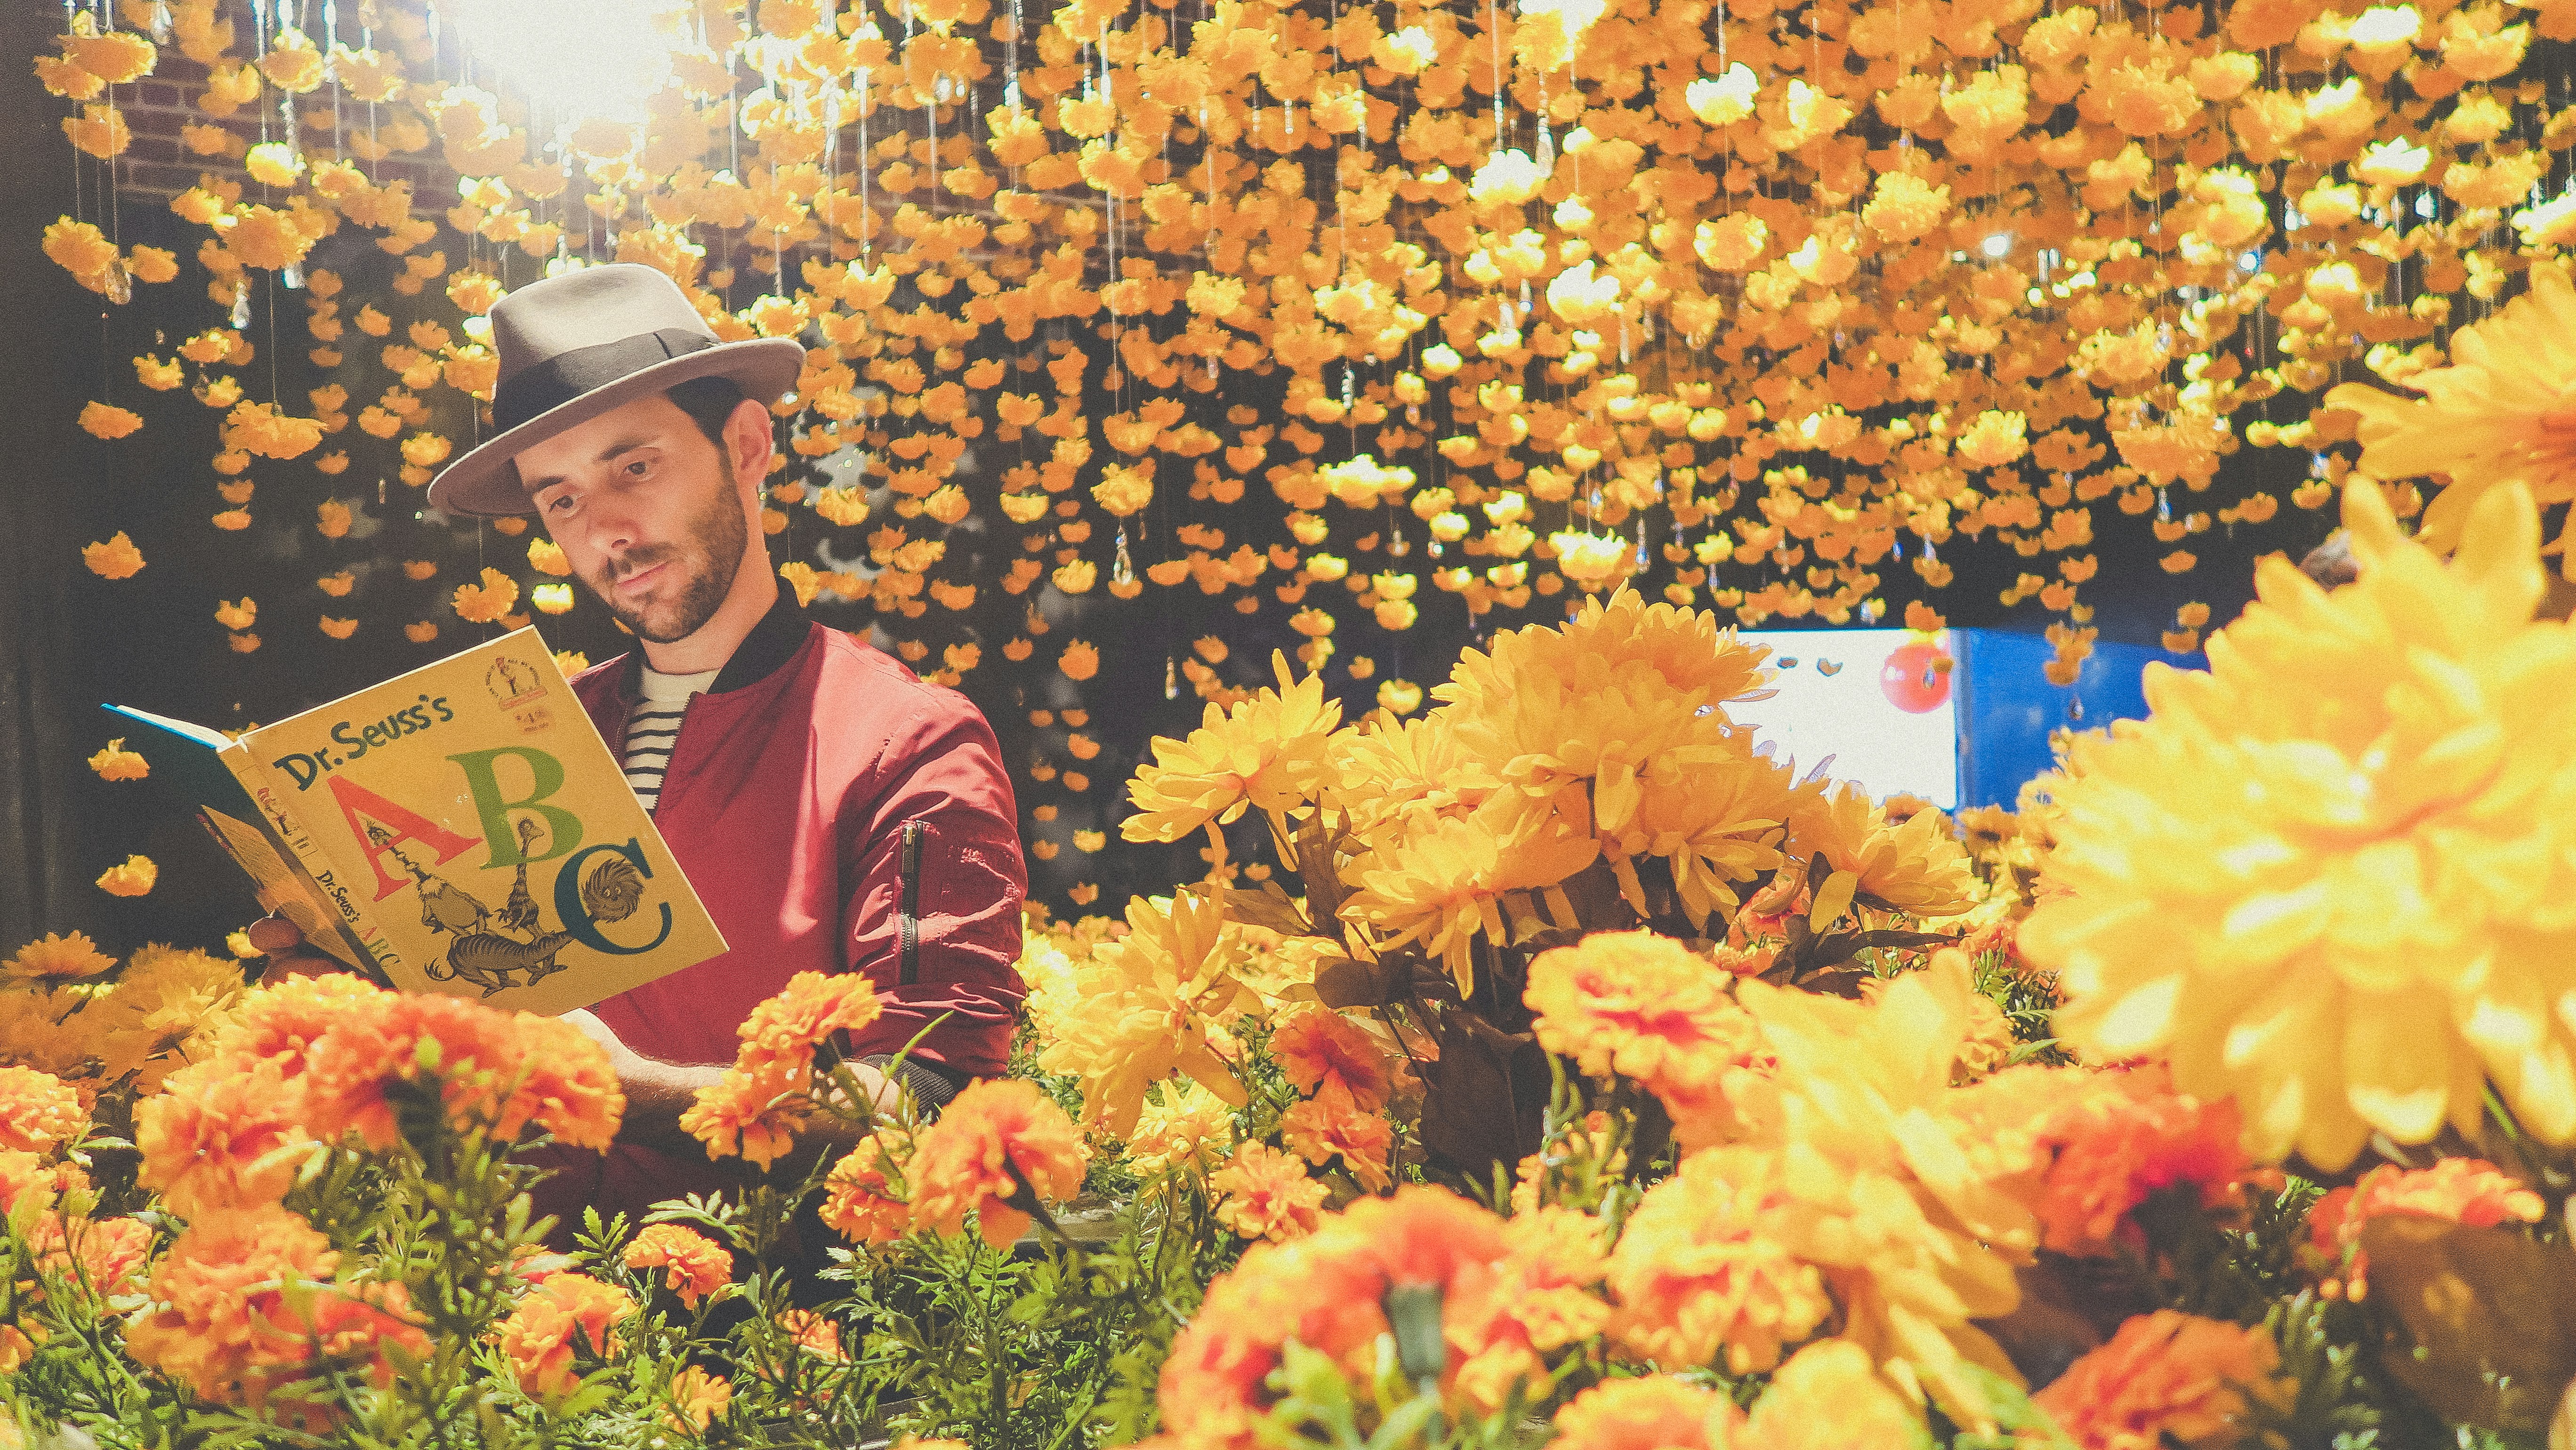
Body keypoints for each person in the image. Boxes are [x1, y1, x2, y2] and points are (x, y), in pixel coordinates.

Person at [264, 263, 1028, 1237]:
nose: (608, 532)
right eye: (562, 500)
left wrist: (628, 1088)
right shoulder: (510, 737)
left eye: (636, 466)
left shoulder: (904, 742)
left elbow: (932, 1098)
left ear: (747, 446)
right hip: (519, 1324)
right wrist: (346, 977)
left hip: (783, 1348)